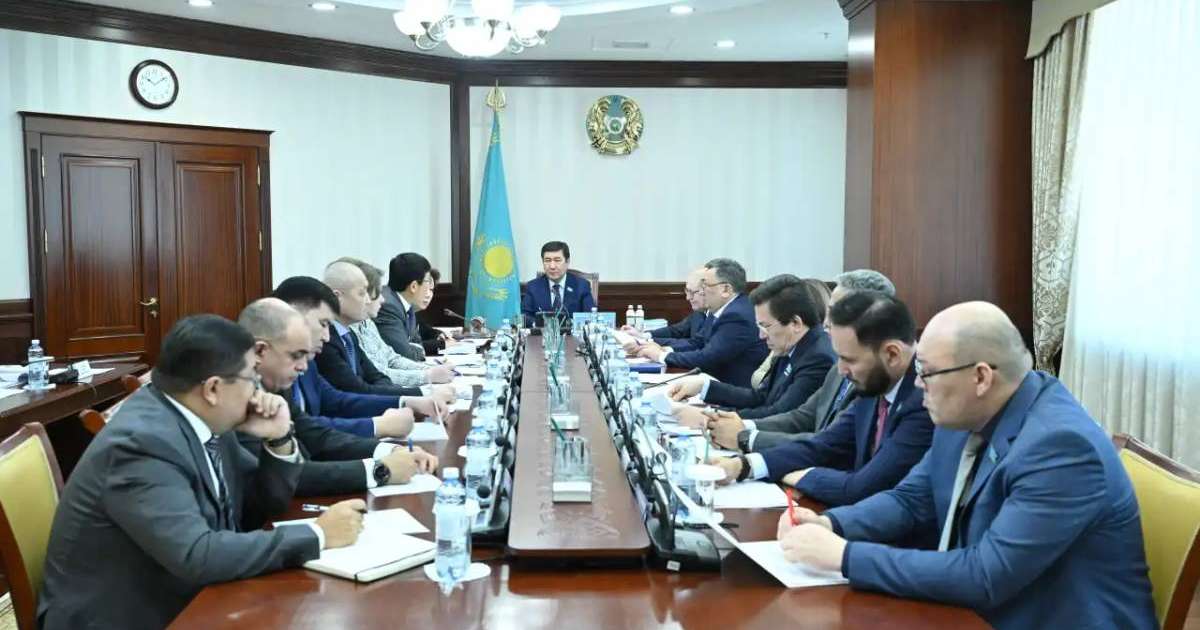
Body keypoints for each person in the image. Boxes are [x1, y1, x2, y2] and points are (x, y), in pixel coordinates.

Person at [776, 302, 1157, 630]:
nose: (919, 385)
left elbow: (985, 576)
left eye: (927, 372)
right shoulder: (967, 413)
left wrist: (843, 556)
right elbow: (911, 500)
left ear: (980, 376)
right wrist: (832, 524)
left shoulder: (1060, 449)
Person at [38, 315, 365, 629]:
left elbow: (257, 508)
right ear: (212, 389)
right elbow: (197, 554)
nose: (259, 392)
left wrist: (278, 439)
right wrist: (318, 535)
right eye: (252, 378)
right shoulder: (142, 444)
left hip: (185, 592)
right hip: (128, 616)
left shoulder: (203, 418)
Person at [712, 291, 933, 508]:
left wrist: (801, 476)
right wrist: (743, 466)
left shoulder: (924, 401)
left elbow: (863, 488)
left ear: (892, 354)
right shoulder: (878, 381)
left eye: (849, 359)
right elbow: (824, 445)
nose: (841, 370)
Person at [238, 298, 439, 496]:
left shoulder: (275, 383)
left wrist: (387, 450)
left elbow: (315, 435)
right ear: (260, 351)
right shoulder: (237, 400)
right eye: (295, 356)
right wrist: (380, 470)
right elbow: (287, 477)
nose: (303, 366)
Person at [708, 269, 896, 452]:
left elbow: (831, 442)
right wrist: (742, 426)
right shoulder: (836, 364)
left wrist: (745, 437)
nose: (826, 322)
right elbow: (803, 416)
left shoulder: (865, 371)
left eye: (835, 312)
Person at [272, 276, 450, 437]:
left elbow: (337, 399)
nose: (326, 336)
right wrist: (380, 426)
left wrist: (407, 401)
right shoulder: (272, 373)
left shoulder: (314, 357)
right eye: (323, 323)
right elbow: (306, 430)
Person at [665, 275, 835, 426]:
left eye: (766, 326)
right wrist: (704, 387)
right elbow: (761, 397)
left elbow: (779, 414)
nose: (761, 335)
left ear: (796, 324)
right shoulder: (790, 344)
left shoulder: (818, 357)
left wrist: (709, 418)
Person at [636, 258, 768, 388]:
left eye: (705, 286)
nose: (702, 292)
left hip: (732, 393)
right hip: (712, 383)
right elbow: (698, 342)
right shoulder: (719, 310)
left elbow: (707, 358)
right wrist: (663, 349)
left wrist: (662, 356)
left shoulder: (737, 315)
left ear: (726, 290)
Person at [317, 261, 436, 398]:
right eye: (362, 293)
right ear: (337, 297)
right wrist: (421, 392)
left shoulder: (348, 335)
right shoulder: (328, 340)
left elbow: (376, 375)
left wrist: (402, 396)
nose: (368, 300)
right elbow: (357, 389)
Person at [335, 258, 454, 388]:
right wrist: (427, 376)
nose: (382, 299)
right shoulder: (344, 332)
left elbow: (391, 358)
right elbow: (378, 373)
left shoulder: (367, 323)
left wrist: (429, 369)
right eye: (375, 293)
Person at [622, 267, 710, 352]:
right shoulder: (699, 312)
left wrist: (648, 344)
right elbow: (675, 330)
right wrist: (642, 336)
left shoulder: (718, 317)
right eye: (687, 291)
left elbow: (695, 345)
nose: (687, 297)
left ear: (706, 291)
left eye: (692, 292)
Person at [377, 252, 435, 361]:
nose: (429, 288)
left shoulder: (406, 304)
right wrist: (415, 350)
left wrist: (414, 348)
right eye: (427, 281)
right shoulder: (388, 306)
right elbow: (404, 355)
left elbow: (418, 343)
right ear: (413, 286)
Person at [520, 240, 596, 324]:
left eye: (557, 260)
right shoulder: (533, 286)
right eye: (547, 260)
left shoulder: (582, 286)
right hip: (543, 335)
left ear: (567, 262)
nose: (552, 266)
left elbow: (590, 316)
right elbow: (525, 316)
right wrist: (540, 325)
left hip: (571, 335)